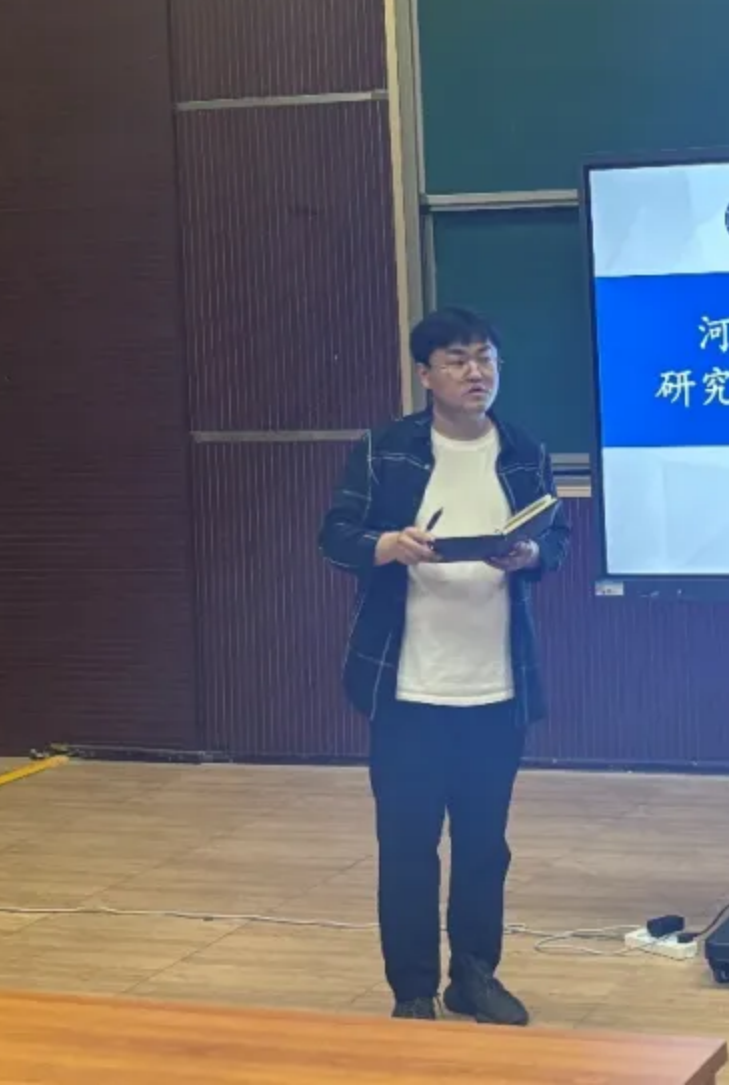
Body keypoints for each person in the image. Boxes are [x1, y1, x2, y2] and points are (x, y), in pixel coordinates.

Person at [318, 306, 568, 1025]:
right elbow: (335, 535)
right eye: (457, 360)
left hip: (496, 685)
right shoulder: (386, 450)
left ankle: (474, 975)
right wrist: (388, 546)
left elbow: (557, 541)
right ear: (425, 375)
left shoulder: (523, 451)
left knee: (485, 846)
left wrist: (530, 553)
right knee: (407, 845)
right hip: (407, 686)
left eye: (485, 358)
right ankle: (412, 990)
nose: (475, 373)